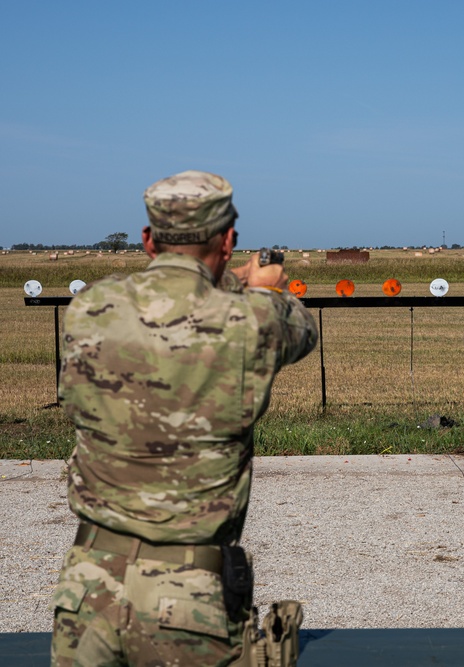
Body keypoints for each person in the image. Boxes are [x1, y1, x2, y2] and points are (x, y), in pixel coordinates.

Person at [51, 170, 317, 666]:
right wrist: (264, 288)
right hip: (187, 593)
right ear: (230, 239)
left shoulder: (91, 308)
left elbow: (164, 307)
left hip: (87, 584)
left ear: (149, 239)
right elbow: (299, 328)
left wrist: (224, 282)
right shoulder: (251, 320)